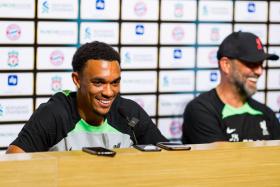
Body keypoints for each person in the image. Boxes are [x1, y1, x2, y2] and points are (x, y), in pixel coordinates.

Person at [7, 41, 167, 153]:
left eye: (115, 83)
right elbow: (15, 160)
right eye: (99, 82)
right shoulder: (54, 113)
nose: (109, 92)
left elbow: (169, 153)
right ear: (77, 80)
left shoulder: (128, 112)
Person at [182, 31, 280, 144]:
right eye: (252, 63)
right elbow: (221, 159)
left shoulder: (266, 113)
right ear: (226, 65)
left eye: (261, 64)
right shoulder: (200, 110)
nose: (259, 71)